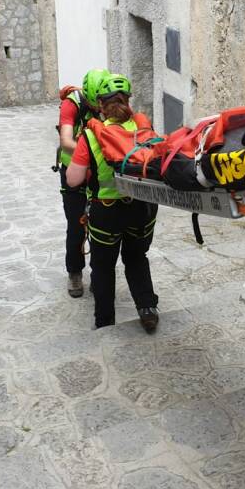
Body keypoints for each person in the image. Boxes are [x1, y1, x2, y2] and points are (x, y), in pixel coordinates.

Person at [65, 74, 159, 332]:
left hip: (106, 212)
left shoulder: (91, 135)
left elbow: (72, 180)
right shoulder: (143, 128)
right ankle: (147, 308)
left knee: (103, 267)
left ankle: (105, 321)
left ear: (100, 104)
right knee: (137, 256)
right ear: (129, 100)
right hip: (142, 207)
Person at [57, 68, 108, 298]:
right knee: (76, 225)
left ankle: (99, 274)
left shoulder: (107, 100)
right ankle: (75, 272)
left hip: (97, 171)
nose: (100, 107)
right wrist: (89, 152)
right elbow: (66, 140)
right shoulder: (71, 104)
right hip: (73, 170)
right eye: (96, 103)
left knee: (101, 224)